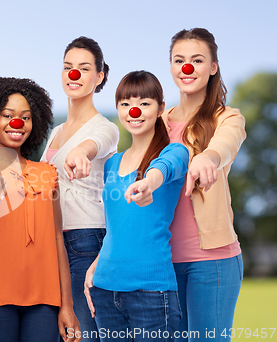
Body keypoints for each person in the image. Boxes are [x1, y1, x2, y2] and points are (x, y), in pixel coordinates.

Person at [0, 77, 81, 342]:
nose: (17, 123)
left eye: (25, 117)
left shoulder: (47, 173)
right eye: (7, 115)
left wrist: (67, 306)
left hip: (44, 300)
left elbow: (57, 239)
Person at [84, 70, 189, 342]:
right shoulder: (111, 164)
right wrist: (94, 267)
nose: (135, 110)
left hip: (152, 295)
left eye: (144, 103)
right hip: (105, 290)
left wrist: (148, 183)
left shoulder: (174, 152)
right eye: (126, 104)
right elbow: (116, 229)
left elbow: (164, 169)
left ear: (160, 108)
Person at [163, 28, 246, 341]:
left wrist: (207, 157)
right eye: (179, 60)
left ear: (213, 67)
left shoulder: (227, 117)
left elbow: (226, 143)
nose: (187, 68)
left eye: (197, 60)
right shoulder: (156, 120)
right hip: (161, 262)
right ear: (171, 67)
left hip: (212, 262)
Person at [40, 36, 119, 341]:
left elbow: (95, 144)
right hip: (55, 242)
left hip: (85, 240)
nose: (73, 74)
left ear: (99, 77)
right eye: (68, 67)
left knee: (85, 334)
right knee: (68, 334)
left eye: (84, 69)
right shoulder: (57, 131)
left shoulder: (106, 126)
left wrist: (81, 153)